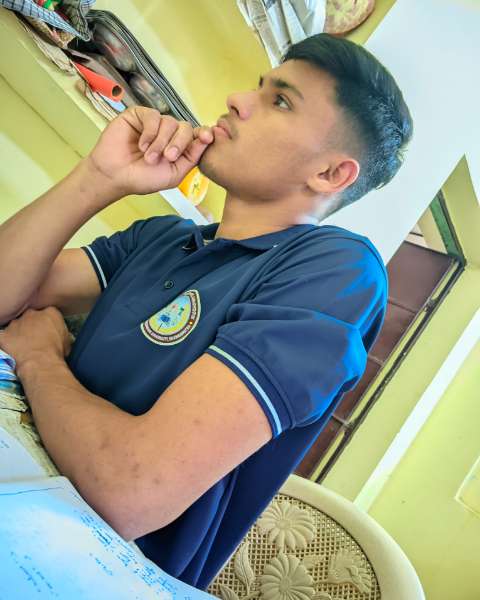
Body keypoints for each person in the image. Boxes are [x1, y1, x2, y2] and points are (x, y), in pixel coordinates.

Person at [0, 33, 412, 588]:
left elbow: (131, 489)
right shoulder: (165, 238)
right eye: (258, 87)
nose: (237, 100)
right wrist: (98, 178)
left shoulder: (337, 271)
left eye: (280, 101)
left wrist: (41, 361)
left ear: (330, 175)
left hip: (85, 569)